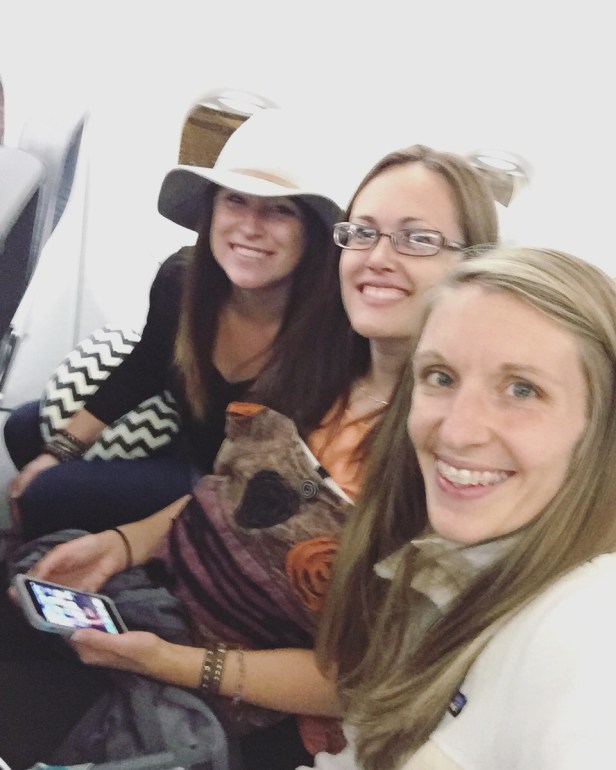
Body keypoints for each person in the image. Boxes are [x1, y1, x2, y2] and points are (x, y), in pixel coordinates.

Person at [1, 143, 499, 770]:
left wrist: (171, 662)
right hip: (163, 600)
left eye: (418, 239)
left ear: (474, 266)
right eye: (364, 232)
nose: (378, 257)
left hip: (229, 690)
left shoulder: (453, 454)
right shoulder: (315, 368)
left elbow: (360, 675)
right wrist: (121, 546)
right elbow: (224, 492)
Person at [309, 246, 616, 770]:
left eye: (522, 390)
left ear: (601, 428)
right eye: (441, 377)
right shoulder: (445, 559)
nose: (456, 431)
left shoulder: (588, 624)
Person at [3, 107, 347, 541]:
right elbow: (144, 366)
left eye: (279, 210)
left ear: (310, 233)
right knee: (24, 428)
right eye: (235, 200)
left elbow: (276, 485)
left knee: (47, 495)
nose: (249, 227)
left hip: (233, 488)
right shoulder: (181, 281)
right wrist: (59, 451)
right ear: (211, 211)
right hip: (183, 440)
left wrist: (127, 543)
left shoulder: (329, 334)